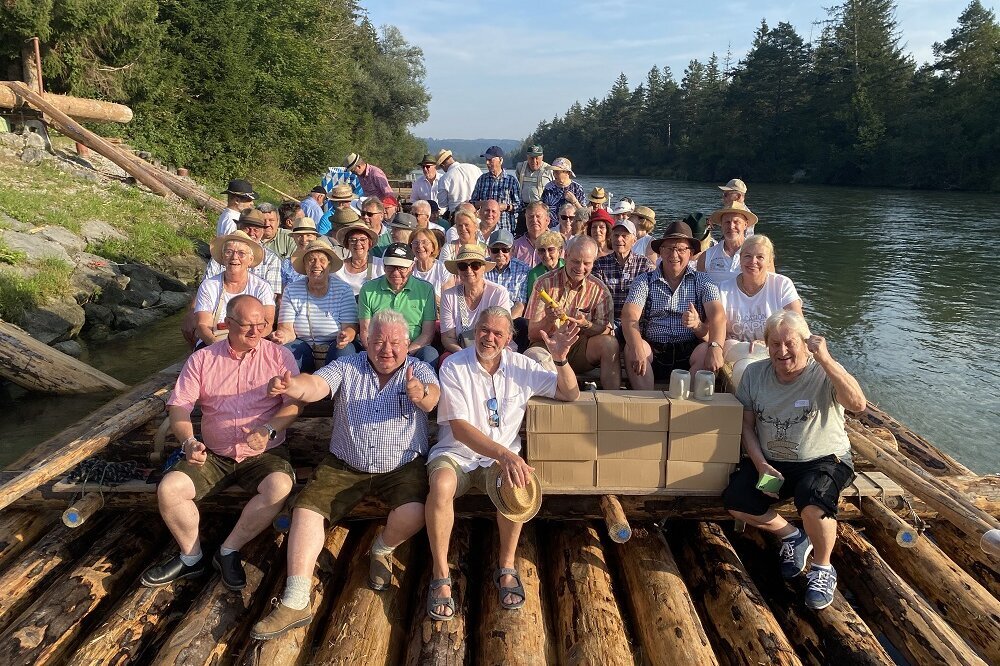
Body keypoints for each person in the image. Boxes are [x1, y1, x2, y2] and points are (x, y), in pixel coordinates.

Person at [251, 309, 440, 639]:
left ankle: (382, 548)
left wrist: (421, 394)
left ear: (408, 343)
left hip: (401, 466)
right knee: (306, 511)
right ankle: (296, 601)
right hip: (343, 465)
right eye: (379, 341)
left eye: (395, 342)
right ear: (366, 340)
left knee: (416, 510)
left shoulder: (420, 369)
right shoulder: (348, 366)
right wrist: (291, 385)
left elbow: (432, 399)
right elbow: (316, 385)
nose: (387, 349)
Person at [425, 307, 580, 619]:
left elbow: (570, 393)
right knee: (441, 485)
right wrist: (507, 454)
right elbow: (458, 428)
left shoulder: (521, 365)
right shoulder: (454, 365)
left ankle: (506, 566)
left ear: (510, 339)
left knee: (517, 481)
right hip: (456, 453)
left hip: (500, 460)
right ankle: (440, 575)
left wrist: (561, 359)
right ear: (474, 331)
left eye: (498, 333)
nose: (489, 337)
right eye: (484, 330)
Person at [141, 295, 297, 591]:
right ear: (228, 323)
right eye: (247, 325)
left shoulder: (279, 357)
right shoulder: (202, 359)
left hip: (264, 453)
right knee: (169, 489)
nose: (256, 331)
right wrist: (188, 442)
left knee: (279, 487)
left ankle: (229, 550)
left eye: (261, 324)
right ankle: (191, 557)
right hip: (213, 453)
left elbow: (293, 405)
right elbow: (180, 406)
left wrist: (269, 429)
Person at [723, 311, 866, 610]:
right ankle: (793, 536)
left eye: (789, 343)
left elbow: (858, 404)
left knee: (813, 502)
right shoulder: (754, 374)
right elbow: (747, 426)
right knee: (736, 499)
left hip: (824, 460)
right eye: (774, 344)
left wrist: (826, 359)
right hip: (774, 462)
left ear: (805, 343)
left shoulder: (824, 370)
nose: (782, 351)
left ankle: (823, 567)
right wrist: (761, 464)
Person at [620, 221, 725, 390]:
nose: (674, 254)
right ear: (660, 252)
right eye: (668, 248)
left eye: (681, 249)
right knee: (632, 347)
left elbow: (718, 316)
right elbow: (629, 316)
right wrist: (637, 346)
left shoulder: (703, 281)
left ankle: (683, 402)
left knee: (707, 349)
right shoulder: (643, 281)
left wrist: (715, 346)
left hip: (688, 351)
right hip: (653, 350)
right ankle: (646, 403)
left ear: (690, 253)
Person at [525, 236, 619, 390]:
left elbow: (607, 330)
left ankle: (612, 400)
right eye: (576, 261)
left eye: (587, 263)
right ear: (566, 255)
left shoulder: (600, 289)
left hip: (580, 348)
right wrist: (549, 320)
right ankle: (559, 398)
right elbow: (532, 334)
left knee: (610, 344)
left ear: (593, 262)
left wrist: (586, 325)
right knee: (535, 355)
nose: (580, 268)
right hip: (548, 345)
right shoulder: (543, 283)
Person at [272, 240, 358, 371]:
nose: (317, 265)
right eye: (311, 260)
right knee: (285, 351)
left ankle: (341, 391)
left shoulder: (343, 290)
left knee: (345, 351)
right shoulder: (291, 290)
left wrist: (346, 335)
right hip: (302, 345)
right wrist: (282, 336)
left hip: (334, 345)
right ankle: (291, 389)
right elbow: (286, 328)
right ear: (305, 266)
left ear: (329, 265)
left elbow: (350, 327)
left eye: (322, 260)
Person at [358, 242, 438, 364]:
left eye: (401, 268)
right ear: (384, 266)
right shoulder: (368, 289)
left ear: (412, 267)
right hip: (378, 350)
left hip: (413, 350)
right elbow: (365, 330)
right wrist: (380, 353)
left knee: (430, 353)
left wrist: (405, 353)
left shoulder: (426, 289)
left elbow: (427, 334)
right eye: (391, 267)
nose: (396, 273)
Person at [193, 231, 275, 348]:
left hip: (252, 341)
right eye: (229, 252)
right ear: (222, 257)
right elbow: (202, 325)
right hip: (215, 341)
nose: (235, 257)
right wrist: (215, 344)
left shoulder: (262, 286)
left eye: (241, 253)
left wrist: (247, 344)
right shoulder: (208, 286)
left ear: (250, 259)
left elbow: (267, 323)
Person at [717, 235, 802, 343]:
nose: (753, 261)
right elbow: (712, 332)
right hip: (735, 351)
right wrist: (698, 326)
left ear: (770, 261)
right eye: (747, 256)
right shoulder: (723, 289)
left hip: (773, 350)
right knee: (701, 351)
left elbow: (799, 327)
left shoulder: (782, 284)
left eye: (760, 257)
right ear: (740, 259)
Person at [440, 245, 511, 354]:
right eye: (463, 266)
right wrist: (466, 355)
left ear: (483, 268)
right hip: (459, 351)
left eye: (475, 265)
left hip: (494, 349)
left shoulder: (499, 293)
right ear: (458, 270)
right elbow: (448, 338)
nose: (469, 270)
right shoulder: (449, 296)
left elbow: (502, 333)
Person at [593, 219, 654, 336]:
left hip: (636, 322)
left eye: (624, 236)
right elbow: (596, 297)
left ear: (634, 240)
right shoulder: (600, 264)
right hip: (609, 321)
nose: (619, 239)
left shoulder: (645, 265)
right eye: (616, 235)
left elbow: (650, 300)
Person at [205, 209, 283, 301]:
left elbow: (270, 297)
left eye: (256, 230)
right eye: (247, 228)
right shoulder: (221, 254)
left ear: (262, 232)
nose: (251, 233)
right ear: (238, 228)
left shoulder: (271, 259)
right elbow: (206, 288)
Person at [698, 201, 758, 285]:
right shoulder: (706, 256)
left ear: (745, 225)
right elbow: (699, 290)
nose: (731, 226)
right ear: (721, 225)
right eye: (727, 222)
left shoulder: (758, 255)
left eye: (736, 222)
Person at [470, 146, 520, 233]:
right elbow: (472, 203)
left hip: (505, 228)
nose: (487, 163)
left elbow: (520, 206)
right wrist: (483, 204)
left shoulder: (511, 181)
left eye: (490, 160)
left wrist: (505, 206)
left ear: (500, 160)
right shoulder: (482, 179)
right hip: (485, 230)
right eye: (486, 160)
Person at [485, 230, 529, 318]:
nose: (500, 254)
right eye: (495, 250)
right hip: (485, 316)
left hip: (511, 320)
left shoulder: (523, 269)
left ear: (512, 250)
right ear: (488, 251)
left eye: (505, 250)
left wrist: (505, 325)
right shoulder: (481, 267)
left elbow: (520, 305)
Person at [332, 223, 384, 297]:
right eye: (353, 240)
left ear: (369, 243)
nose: (358, 243)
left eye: (363, 240)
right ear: (347, 244)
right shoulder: (338, 268)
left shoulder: (380, 265)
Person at [409, 228, 453, 301]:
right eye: (415, 243)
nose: (420, 246)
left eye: (424, 242)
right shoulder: (407, 268)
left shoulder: (443, 269)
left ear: (433, 247)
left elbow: (448, 301)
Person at [435, 149, 482, 216]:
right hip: (476, 212)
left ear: (442, 165)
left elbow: (442, 203)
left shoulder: (444, 178)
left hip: (458, 214)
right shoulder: (474, 168)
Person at [540, 158, 585, 227]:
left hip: (572, 229)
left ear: (567, 173)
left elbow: (584, 215)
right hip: (552, 230)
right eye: (554, 172)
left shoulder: (577, 188)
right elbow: (542, 210)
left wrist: (574, 201)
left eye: (557, 172)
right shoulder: (549, 187)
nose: (554, 175)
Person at [525, 230, 565, 299]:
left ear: (559, 251)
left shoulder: (568, 268)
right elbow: (531, 302)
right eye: (542, 250)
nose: (546, 255)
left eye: (551, 250)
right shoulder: (534, 274)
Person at [281, 217, 319, 289]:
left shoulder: (322, 262)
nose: (304, 239)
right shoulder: (286, 264)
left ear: (315, 237)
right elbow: (281, 293)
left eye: (308, 235)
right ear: (294, 237)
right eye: (300, 235)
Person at [511, 202, 550, 267]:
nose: (534, 220)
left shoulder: (556, 245)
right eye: (531, 217)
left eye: (538, 216)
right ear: (526, 219)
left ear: (547, 220)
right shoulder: (515, 246)